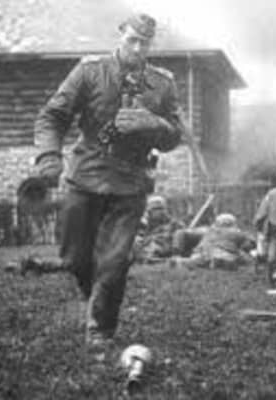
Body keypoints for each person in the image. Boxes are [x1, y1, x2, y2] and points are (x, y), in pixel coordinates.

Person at [33, 13, 184, 346]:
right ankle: (97, 299)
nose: (137, 48)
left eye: (145, 43)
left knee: (114, 260)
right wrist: (48, 156)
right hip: (84, 177)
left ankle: (101, 328)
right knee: (74, 258)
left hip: (130, 185)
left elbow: (175, 136)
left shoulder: (162, 84)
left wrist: (154, 123)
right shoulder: (90, 72)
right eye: (132, 40)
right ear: (120, 36)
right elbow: (52, 116)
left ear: (151, 44)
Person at [171, 213, 255, 270]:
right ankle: (218, 261)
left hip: (201, 253)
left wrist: (177, 250)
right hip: (223, 253)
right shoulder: (237, 232)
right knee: (244, 258)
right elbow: (249, 245)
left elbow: (181, 233)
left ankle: (181, 261)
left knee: (196, 260)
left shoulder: (207, 230)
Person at [133, 195, 185, 263]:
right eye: (156, 209)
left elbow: (179, 238)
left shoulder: (174, 224)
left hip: (165, 249)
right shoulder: (144, 224)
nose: (160, 212)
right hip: (147, 249)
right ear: (149, 211)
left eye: (161, 209)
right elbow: (139, 239)